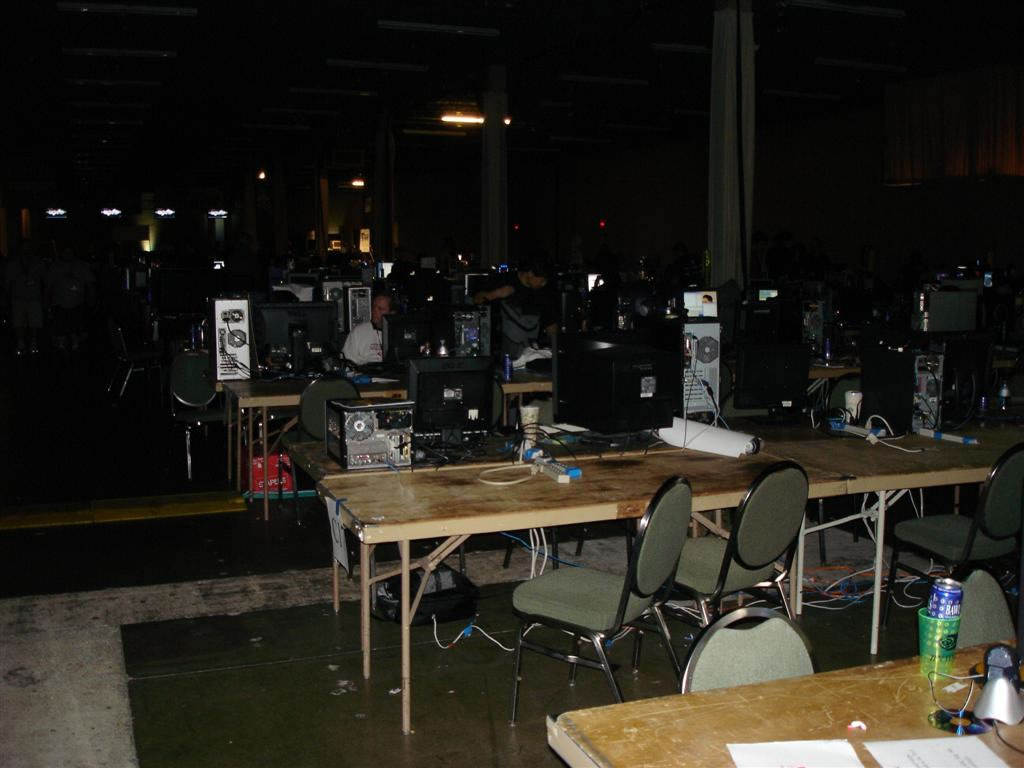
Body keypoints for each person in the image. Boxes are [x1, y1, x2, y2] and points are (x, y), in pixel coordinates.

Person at [473, 256, 558, 357]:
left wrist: (555, 351)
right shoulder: (503, 280)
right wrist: (496, 294)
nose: (543, 284)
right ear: (530, 273)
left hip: (533, 353)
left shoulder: (544, 293)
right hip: (501, 352)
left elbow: (551, 324)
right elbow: (476, 300)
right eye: (542, 280)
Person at [47, 246, 95, 351]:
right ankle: (61, 346)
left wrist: (91, 300)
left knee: (76, 326)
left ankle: (75, 345)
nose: (67, 255)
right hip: (59, 302)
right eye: (65, 252)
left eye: (70, 252)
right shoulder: (55, 267)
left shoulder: (81, 266)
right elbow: (49, 286)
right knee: (60, 326)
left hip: (77, 302)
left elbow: (90, 284)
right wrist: (48, 301)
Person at [6, 243, 46, 355]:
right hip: (18, 297)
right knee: (18, 322)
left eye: (28, 248)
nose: (26, 250)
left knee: (35, 322)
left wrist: (45, 296)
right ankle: (20, 342)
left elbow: (44, 280)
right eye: (23, 248)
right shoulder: (13, 264)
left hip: (34, 297)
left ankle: (33, 342)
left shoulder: (38, 263)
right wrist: (5, 297)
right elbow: (8, 282)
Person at [341, 291, 391, 365]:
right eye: (373, 307)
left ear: (392, 312)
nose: (374, 311)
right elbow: (347, 361)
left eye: (380, 309)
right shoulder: (358, 332)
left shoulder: (398, 333)